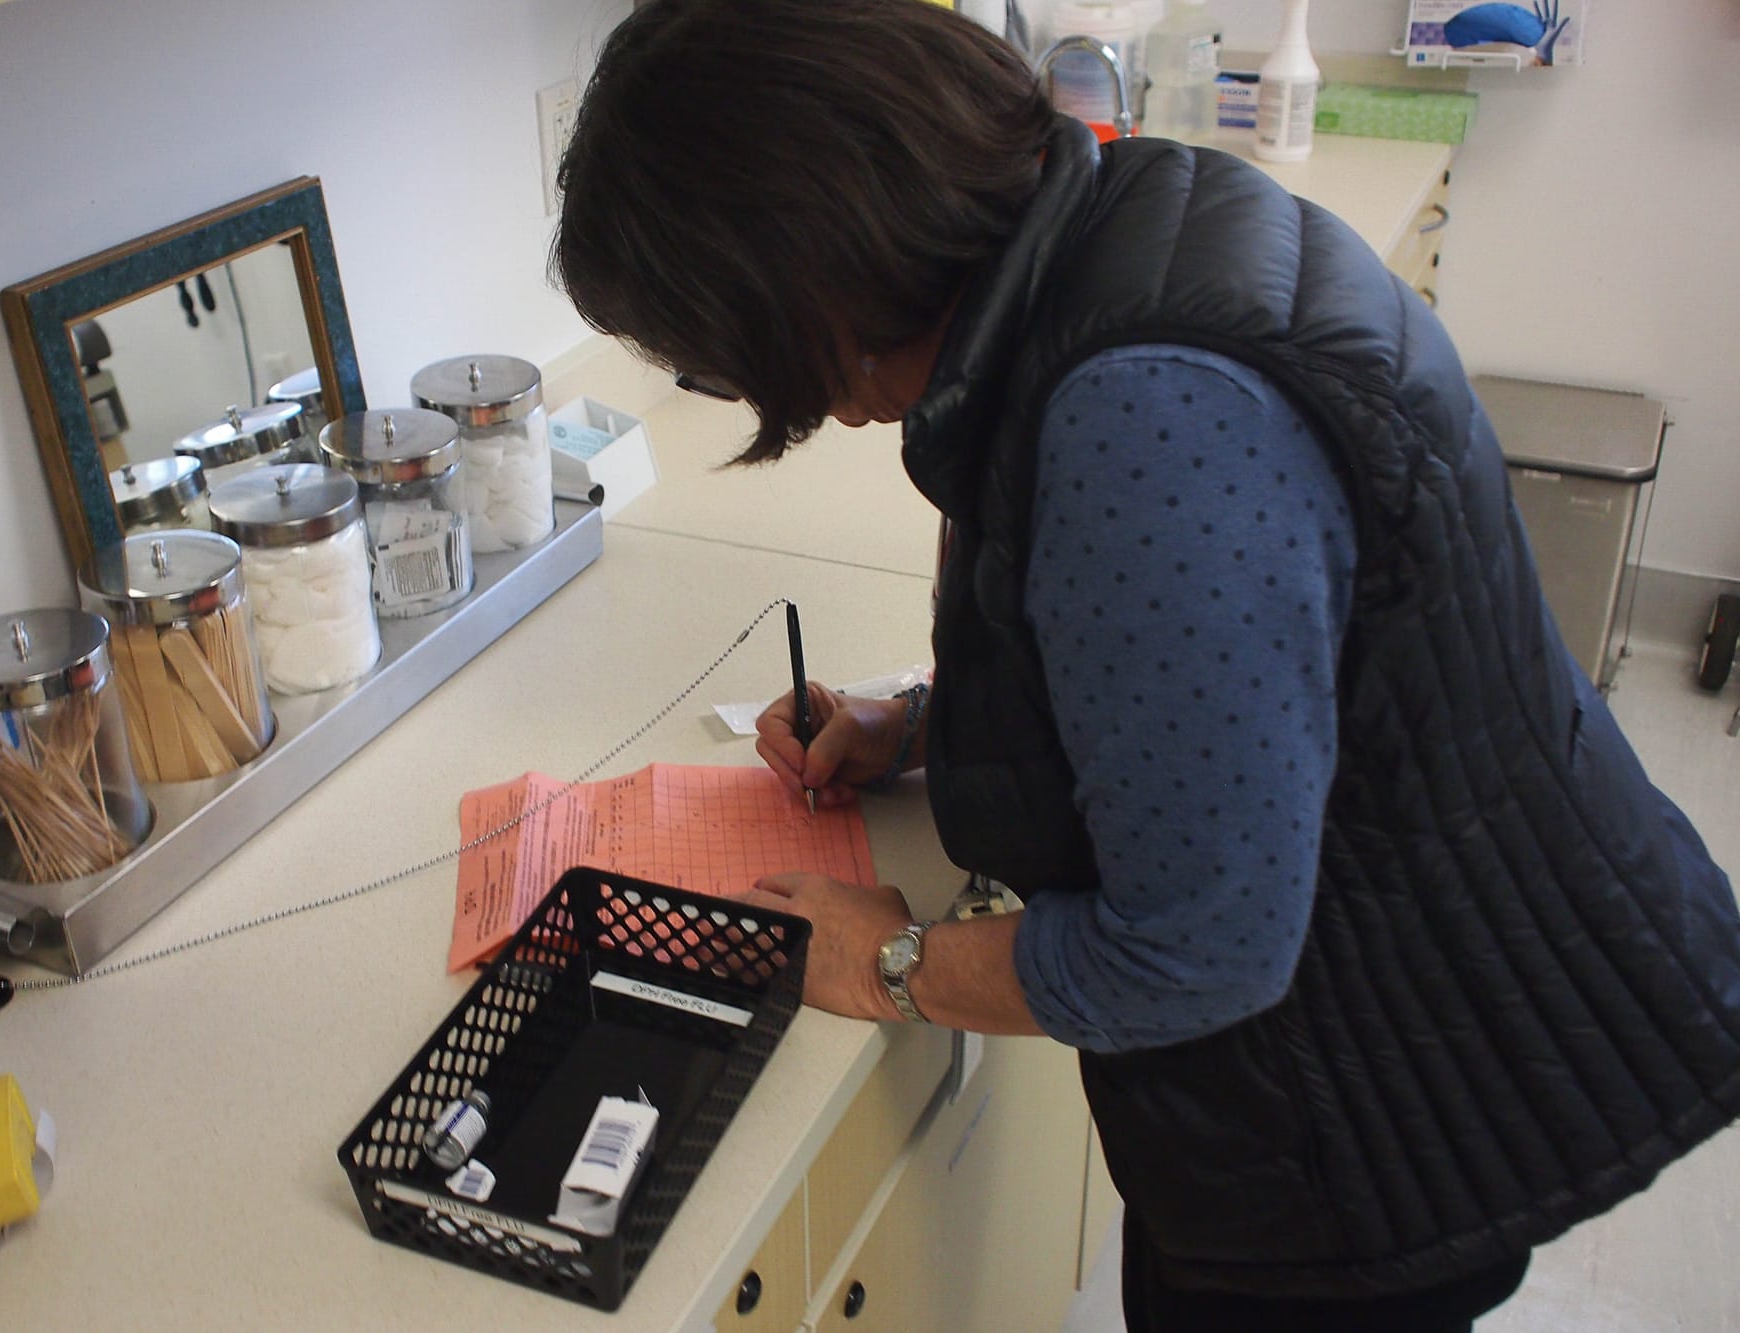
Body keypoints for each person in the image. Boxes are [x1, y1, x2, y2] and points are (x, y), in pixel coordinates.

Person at [550, 2, 1740, 1329]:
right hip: (1424, 962)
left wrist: (895, 961)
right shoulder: (1118, 225)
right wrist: (924, 726)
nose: (794, 403)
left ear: (803, 284)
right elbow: (1218, 665)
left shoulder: (1147, 410)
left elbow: (1197, 949)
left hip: (1385, 1105)